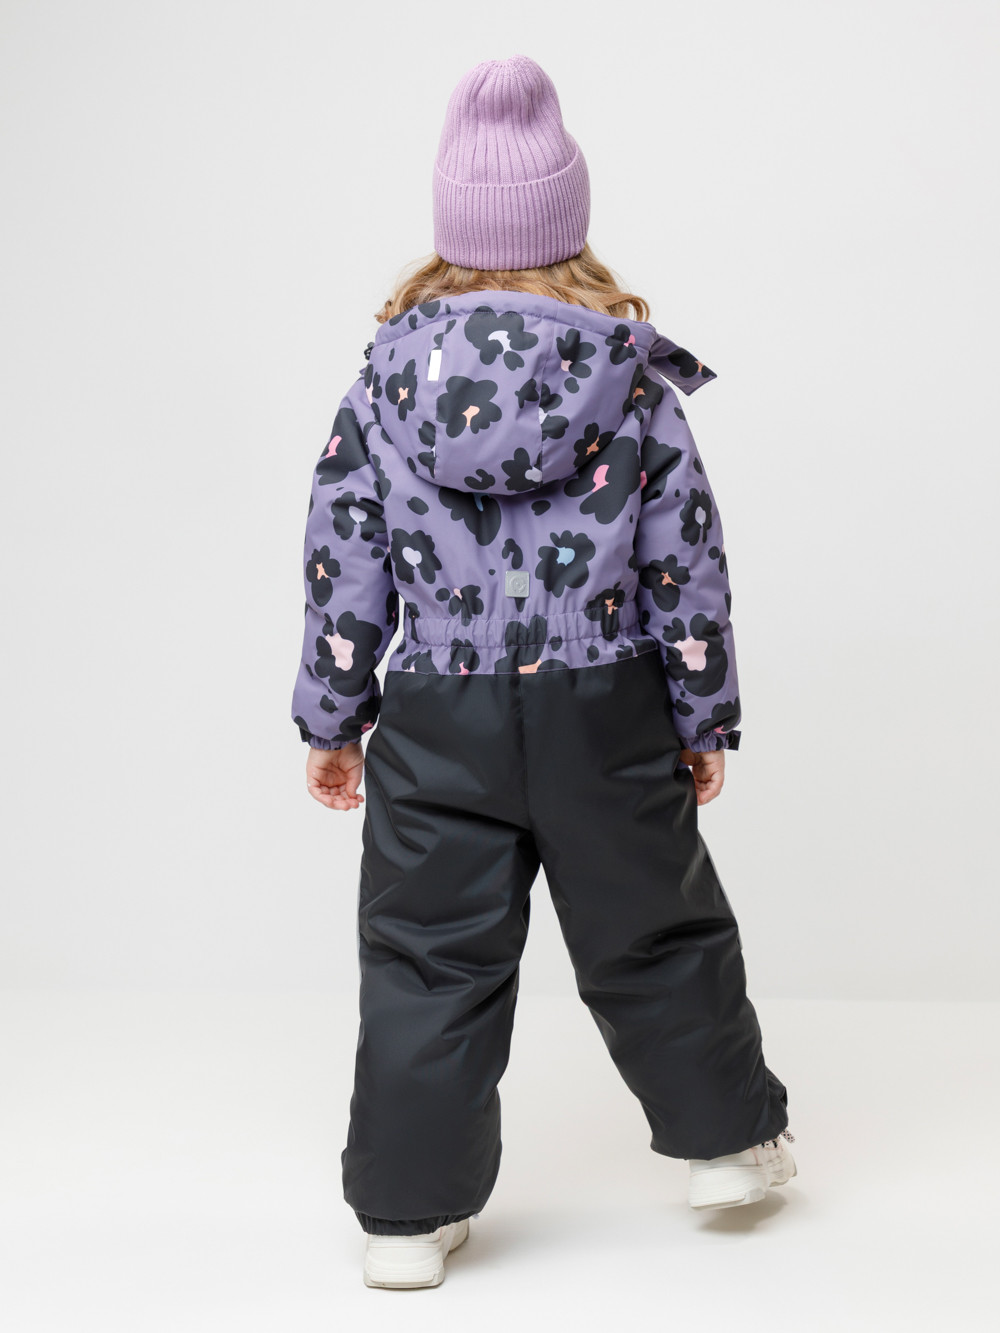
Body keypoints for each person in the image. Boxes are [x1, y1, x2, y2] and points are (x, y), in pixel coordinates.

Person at [290, 53, 796, 1290]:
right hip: (602, 703)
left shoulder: (381, 388)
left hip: (438, 710)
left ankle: (405, 1222)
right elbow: (685, 562)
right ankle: (726, 1148)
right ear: (568, 226)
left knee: (428, 958)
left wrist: (333, 719)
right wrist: (702, 716)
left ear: (449, 231)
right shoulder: (630, 381)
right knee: (654, 928)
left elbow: (343, 564)